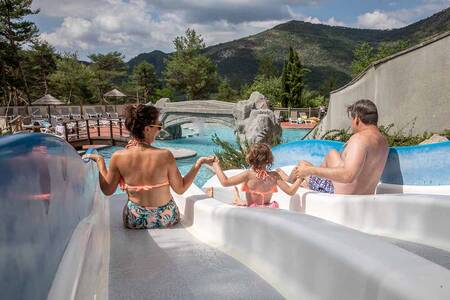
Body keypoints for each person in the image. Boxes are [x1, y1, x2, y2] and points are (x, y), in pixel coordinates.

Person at [83, 104, 214, 229]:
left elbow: (108, 190)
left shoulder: (118, 156)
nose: (159, 130)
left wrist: (100, 161)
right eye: (158, 126)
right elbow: (180, 189)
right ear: (147, 129)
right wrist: (198, 164)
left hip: (134, 219)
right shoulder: (165, 155)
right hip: (167, 217)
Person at [280, 99, 388, 195]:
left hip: (340, 195)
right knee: (332, 154)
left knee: (303, 165)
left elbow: (348, 175)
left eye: (352, 120)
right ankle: (301, 182)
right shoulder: (384, 142)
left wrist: (311, 170)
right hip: (364, 195)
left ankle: (289, 181)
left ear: (357, 120)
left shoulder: (359, 139)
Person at [212, 143, 303, 208]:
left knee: (244, 203)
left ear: (250, 159)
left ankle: (237, 199)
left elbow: (225, 182)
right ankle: (238, 199)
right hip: (269, 208)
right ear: (269, 160)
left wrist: (215, 165)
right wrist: (300, 179)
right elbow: (291, 191)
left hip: (253, 211)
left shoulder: (248, 175)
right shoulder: (275, 176)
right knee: (246, 202)